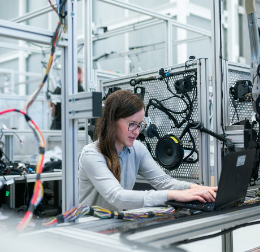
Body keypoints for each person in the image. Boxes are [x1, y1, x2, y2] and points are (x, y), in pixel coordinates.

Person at [79, 90, 218, 210]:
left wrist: (196, 188)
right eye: (132, 124)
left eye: (140, 125)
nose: (137, 131)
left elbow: (164, 182)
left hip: (116, 223)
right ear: (112, 121)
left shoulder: (137, 149)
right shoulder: (92, 154)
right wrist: (173, 195)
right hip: (91, 228)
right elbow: (117, 197)